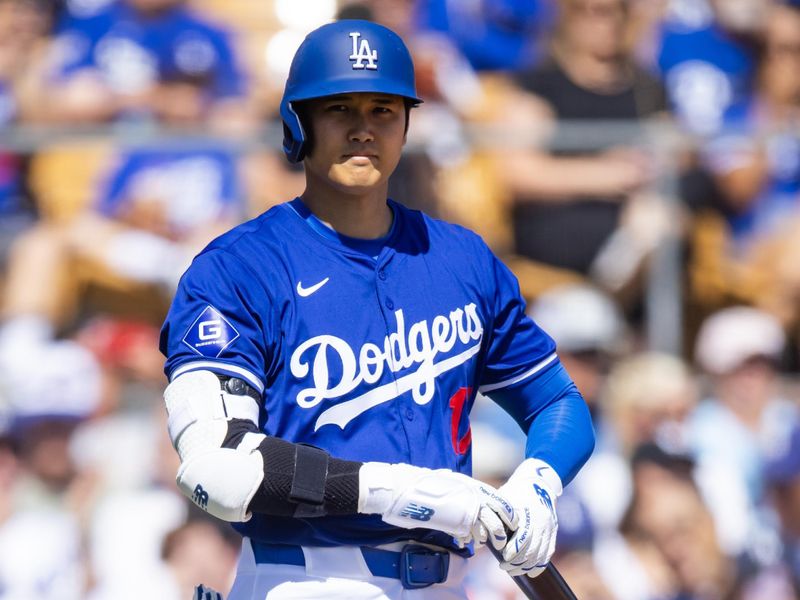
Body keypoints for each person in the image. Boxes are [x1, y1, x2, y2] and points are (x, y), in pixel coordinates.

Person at [158, 19, 595, 599]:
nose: (364, 129)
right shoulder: (239, 267)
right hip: (307, 579)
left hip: (449, 586)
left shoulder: (461, 257)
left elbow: (559, 404)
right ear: (299, 122)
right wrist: (407, 493)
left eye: (383, 110)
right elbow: (217, 469)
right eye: (340, 108)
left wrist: (537, 484)